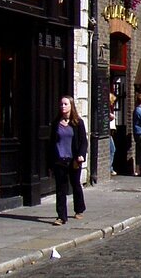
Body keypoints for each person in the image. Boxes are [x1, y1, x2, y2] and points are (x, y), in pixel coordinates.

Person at [49, 95, 88, 225]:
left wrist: (81, 154)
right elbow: (51, 142)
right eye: (61, 104)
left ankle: (79, 209)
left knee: (75, 184)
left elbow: (84, 141)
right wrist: (50, 161)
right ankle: (61, 217)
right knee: (60, 189)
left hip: (74, 160)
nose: (63, 106)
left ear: (71, 106)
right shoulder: (56, 123)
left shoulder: (78, 123)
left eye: (65, 104)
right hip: (60, 159)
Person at [108, 93, 117, 176]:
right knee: (112, 149)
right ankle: (109, 168)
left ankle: (110, 168)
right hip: (107, 132)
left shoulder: (109, 108)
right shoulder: (107, 109)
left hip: (109, 132)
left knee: (112, 149)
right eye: (113, 100)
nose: (113, 102)